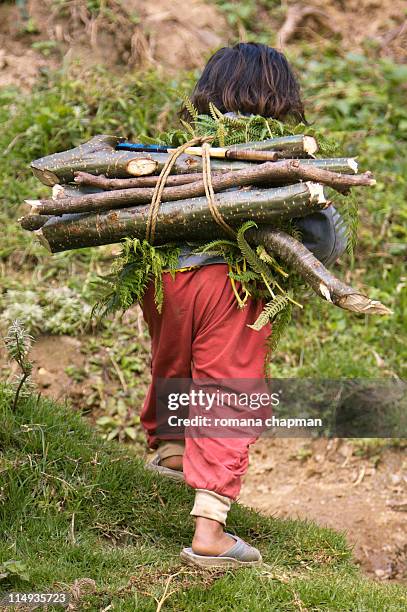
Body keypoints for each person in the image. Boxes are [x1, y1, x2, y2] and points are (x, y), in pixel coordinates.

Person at [142, 42, 346, 568]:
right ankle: (209, 534)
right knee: (228, 391)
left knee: (173, 359)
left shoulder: (180, 149)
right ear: (280, 96)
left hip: (159, 275)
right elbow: (323, 242)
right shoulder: (278, 155)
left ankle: (169, 453)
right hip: (226, 283)